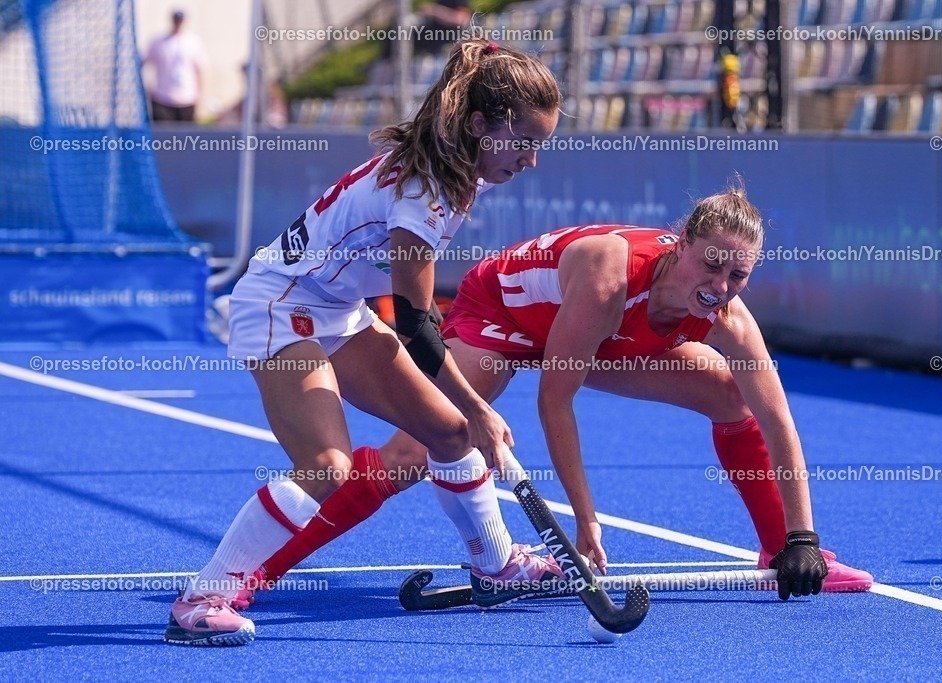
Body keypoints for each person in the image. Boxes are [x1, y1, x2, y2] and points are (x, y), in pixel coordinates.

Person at [235, 182, 873, 609]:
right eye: (711, 266)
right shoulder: (607, 276)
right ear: (680, 246)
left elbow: (777, 415)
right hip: (505, 318)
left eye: (738, 275)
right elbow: (554, 401)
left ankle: (770, 545)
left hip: (596, 339)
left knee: (733, 394)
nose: (720, 285)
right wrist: (585, 523)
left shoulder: (729, 317)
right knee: (412, 455)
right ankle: (260, 569)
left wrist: (802, 539)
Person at [164, 39, 562, 646]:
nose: (532, 160)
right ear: (480, 126)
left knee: (449, 435)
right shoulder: (428, 191)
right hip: (282, 302)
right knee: (327, 465)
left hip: (336, 307)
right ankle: (205, 597)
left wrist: (467, 418)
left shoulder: (452, 168)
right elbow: (416, 322)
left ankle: (497, 564)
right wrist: (480, 406)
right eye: (526, 142)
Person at [143, 10, 206, 123]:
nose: (178, 23)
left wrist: (199, 96)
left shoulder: (193, 42)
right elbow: (145, 63)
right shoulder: (158, 41)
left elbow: (200, 70)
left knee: (186, 137)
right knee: (164, 136)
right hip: (163, 98)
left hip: (187, 98)